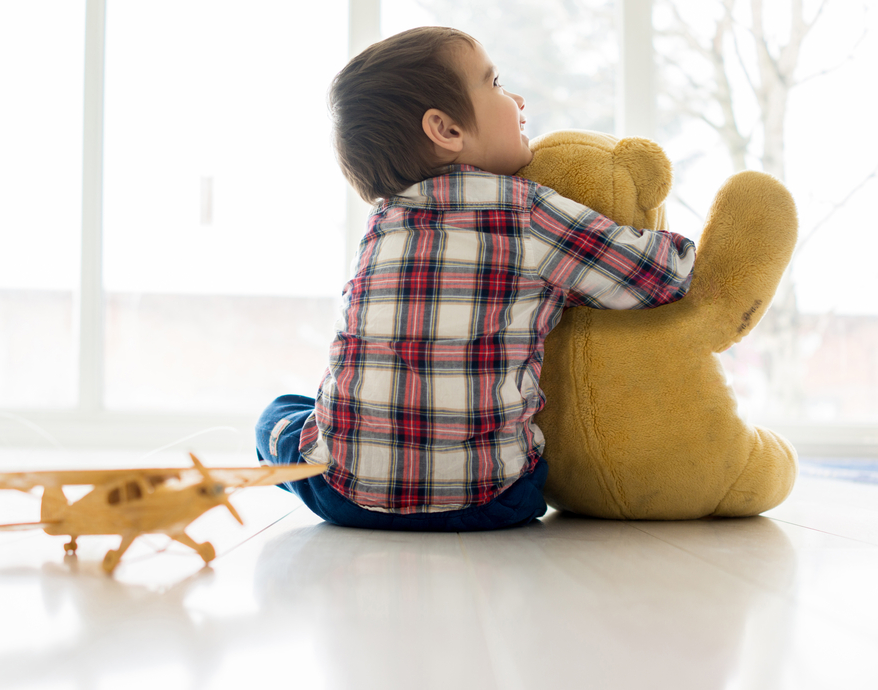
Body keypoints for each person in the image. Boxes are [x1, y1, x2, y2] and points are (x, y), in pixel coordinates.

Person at [255, 26, 696, 531]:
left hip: (345, 496)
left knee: (280, 413)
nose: (518, 99)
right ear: (445, 130)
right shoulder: (529, 212)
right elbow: (660, 276)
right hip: (492, 500)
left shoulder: (382, 224)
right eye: (496, 84)